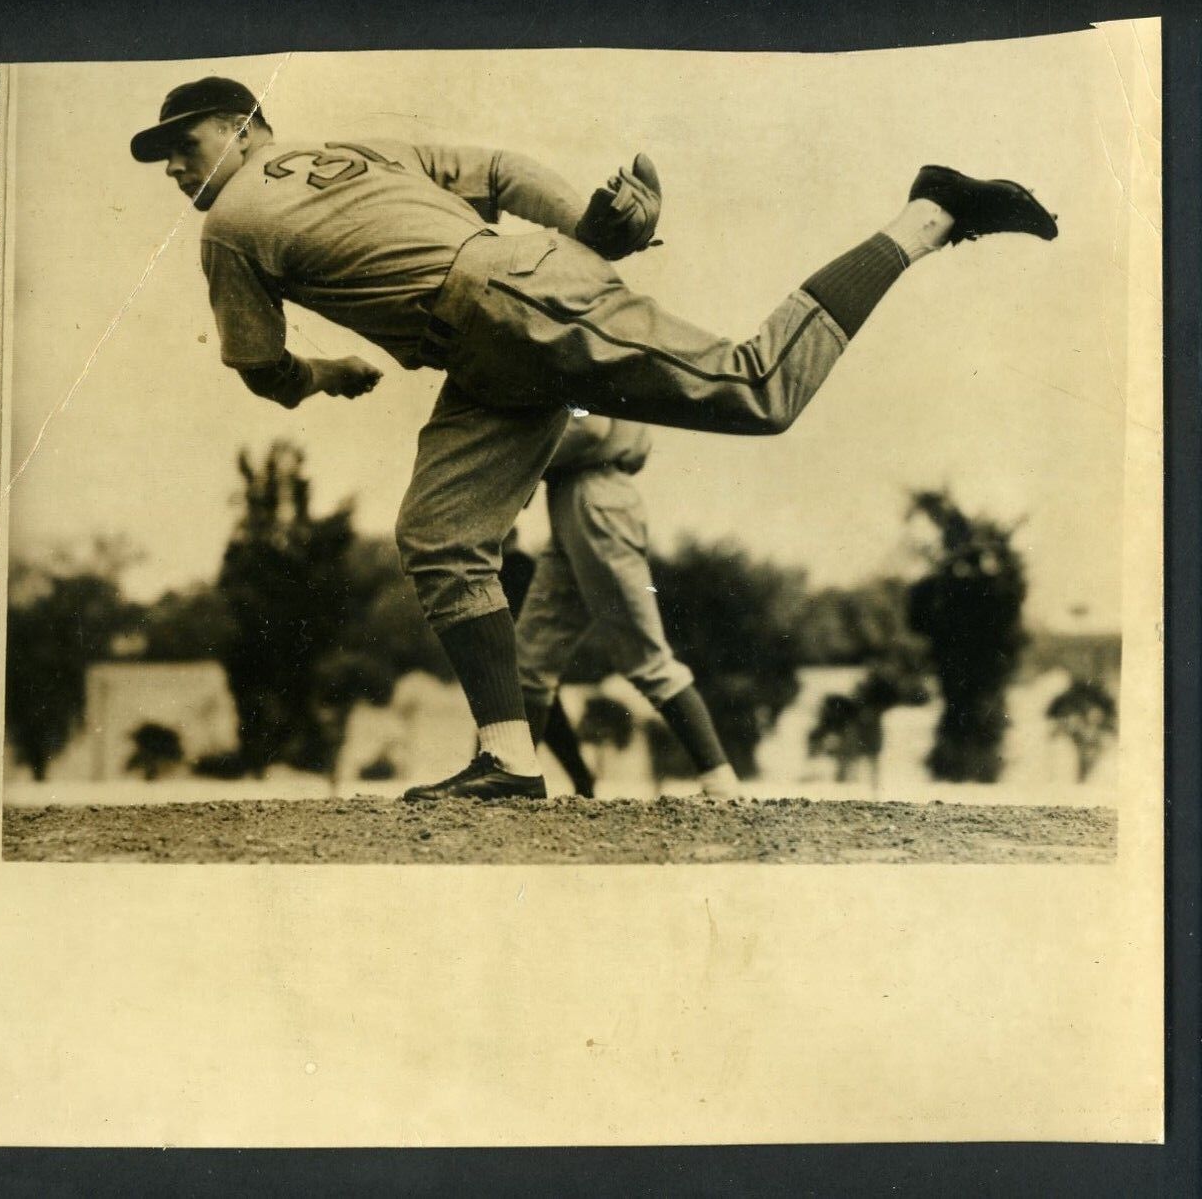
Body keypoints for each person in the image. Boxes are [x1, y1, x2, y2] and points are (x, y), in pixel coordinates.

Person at [129, 76, 1058, 802]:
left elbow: (258, 365)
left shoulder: (229, 224)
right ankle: (508, 759)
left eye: (186, 141)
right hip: (493, 339)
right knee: (439, 538)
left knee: (757, 388)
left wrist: (326, 377)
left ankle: (928, 214)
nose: (175, 165)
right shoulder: (356, 151)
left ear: (246, 127)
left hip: (504, 302)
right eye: (165, 155)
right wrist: (584, 227)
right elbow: (495, 170)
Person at [515, 412, 741, 799]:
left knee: (645, 656)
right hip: (580, 496)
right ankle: (510, 775)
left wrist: (513, 457)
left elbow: (590, 427)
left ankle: (720, 784)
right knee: (529, 660)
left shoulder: (588, 351)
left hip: (595, 495)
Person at [499, 529, 595, 798]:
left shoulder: (515, 566)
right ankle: (580, 778)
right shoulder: (520, 565)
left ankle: (508, 776)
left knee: (528, 715)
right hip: (529, 654)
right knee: (544, 717)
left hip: (525, 655)